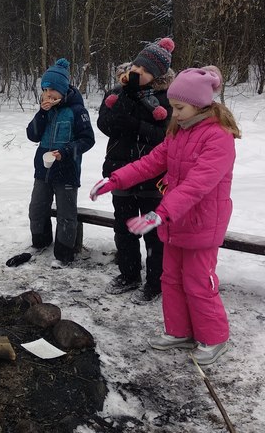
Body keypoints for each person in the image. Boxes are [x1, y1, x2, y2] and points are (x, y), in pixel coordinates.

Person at [90, 66, 240, 365]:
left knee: (198, 281)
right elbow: (150, 163)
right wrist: (115, 180)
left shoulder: (218, 137)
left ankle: (214, 337)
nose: (174, 113)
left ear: (200, 104)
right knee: (170, 278)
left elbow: (199, 184)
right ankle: (179, 331)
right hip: (174, 220)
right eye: (173, 107)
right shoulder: (178, 132)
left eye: (179, 107)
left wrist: (160, 212)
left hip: (201, 222)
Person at [96, 37, 175, 300]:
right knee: (124, 228)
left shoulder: (167, 99)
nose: (137, 72)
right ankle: (129, 274)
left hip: (153, 176)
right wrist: (122, 104)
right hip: (120, 170)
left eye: (145, 71)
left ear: (157, 75)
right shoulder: (117, 92)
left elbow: (164, 136)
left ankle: (155, 282)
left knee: (153, 233)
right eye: (137, 67)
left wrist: (133, 124)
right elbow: (105, 125)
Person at [27, 58, 95, 267]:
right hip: (43, 170)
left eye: (53, 91)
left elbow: (87, 139)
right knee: (37, 208)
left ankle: (64, 253)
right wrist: (42, 113)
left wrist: (65, 152)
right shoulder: (46, 110)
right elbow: (32, 135)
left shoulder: (76, 110)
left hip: (67, 170)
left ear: (63, 91)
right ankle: (40, 242)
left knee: (66, 215)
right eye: (45, 89)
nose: (48, 94)